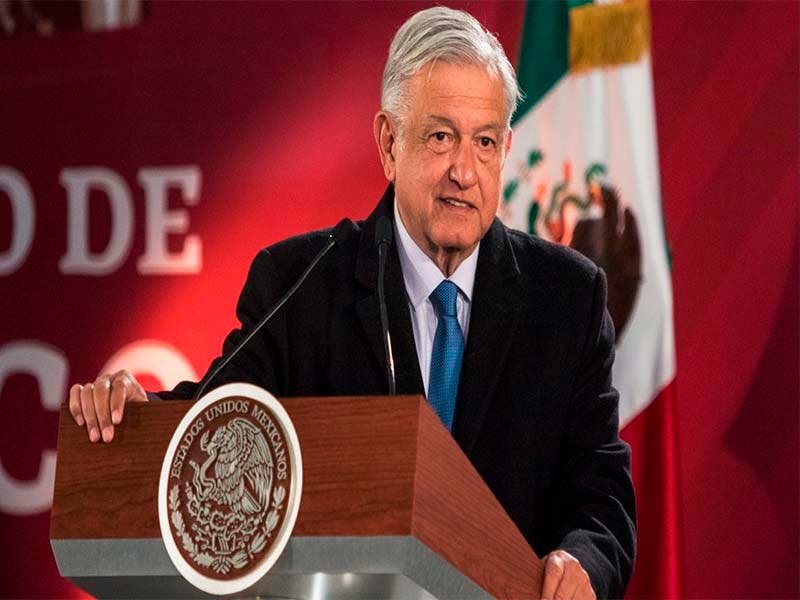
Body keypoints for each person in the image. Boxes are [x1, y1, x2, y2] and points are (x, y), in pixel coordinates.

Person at [67, 7, 635, 599]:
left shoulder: (567, 298)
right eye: (441, 137)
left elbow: (602, 497)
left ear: (505, 149)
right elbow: (220, 422)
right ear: (389, 143)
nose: (465, 171)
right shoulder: (302, 283)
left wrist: (583, 562)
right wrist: (137, 418)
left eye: (485, 142)